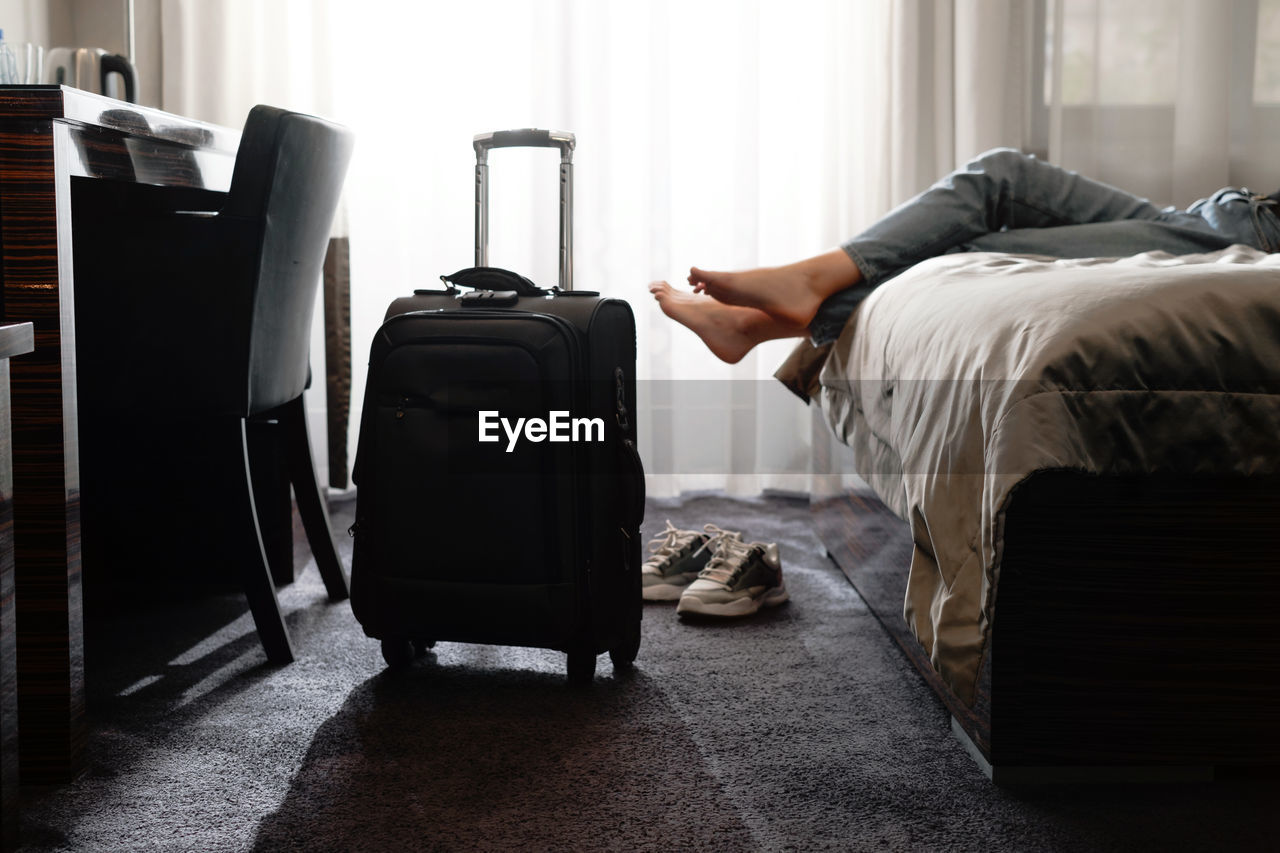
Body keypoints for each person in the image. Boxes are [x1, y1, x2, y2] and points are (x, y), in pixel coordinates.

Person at [649, 148, 1280, 363]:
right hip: (1219, 213)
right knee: (1000, 174)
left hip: (1247, 241)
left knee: (979, 251)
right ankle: (787, 298)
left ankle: (762, 320)